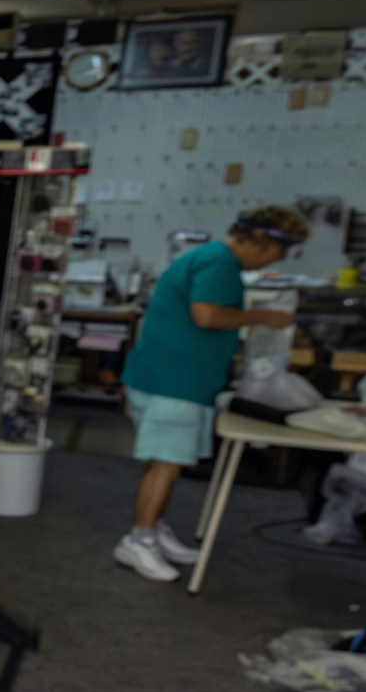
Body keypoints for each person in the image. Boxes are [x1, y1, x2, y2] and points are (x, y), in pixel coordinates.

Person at [114, 205, 308, 581]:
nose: (280, 259)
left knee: (170, 462)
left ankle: (153, 527)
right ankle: (139, 539)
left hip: (176, 378)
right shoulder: (220, 263)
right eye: (281, 251)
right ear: (264, 241)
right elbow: (206, 316)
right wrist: (265, 316)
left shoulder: (212, 259)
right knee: (165, 464)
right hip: (175, 382)